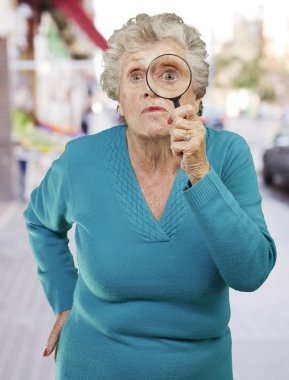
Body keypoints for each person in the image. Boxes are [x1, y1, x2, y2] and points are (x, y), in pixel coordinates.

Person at [23, 13, 277, 380]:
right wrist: (64, 299)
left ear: (195, 92)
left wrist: (200, 173)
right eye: (136, 75)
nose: (150, 88)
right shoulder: (81, 161)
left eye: (168, 75)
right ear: (118, 95)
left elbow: (251, 273)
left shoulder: (228, 155)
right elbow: (39, 221)